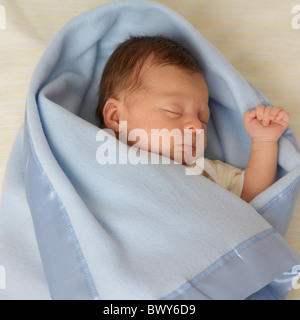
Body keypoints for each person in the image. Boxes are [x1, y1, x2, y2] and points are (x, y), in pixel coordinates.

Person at [96, 36, 290, 203]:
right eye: (174, 111)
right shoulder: (98, 159)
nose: (196, 125)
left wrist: (264, 141)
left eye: (203, 118)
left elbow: (251, 196)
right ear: (116, 116)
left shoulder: (203, 171)